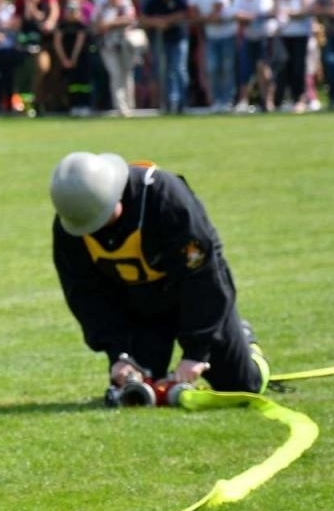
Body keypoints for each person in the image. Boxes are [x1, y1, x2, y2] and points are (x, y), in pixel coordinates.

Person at [49, 151, 267, 402]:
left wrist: (196, 353)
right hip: (140, 304)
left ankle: (246, 339)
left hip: (191, 293)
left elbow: (204, 277)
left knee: (242, 388)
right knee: (138, 390)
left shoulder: (166, 199)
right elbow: (85, 295)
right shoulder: (74, 224)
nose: (97, 230)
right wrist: (118, 354)